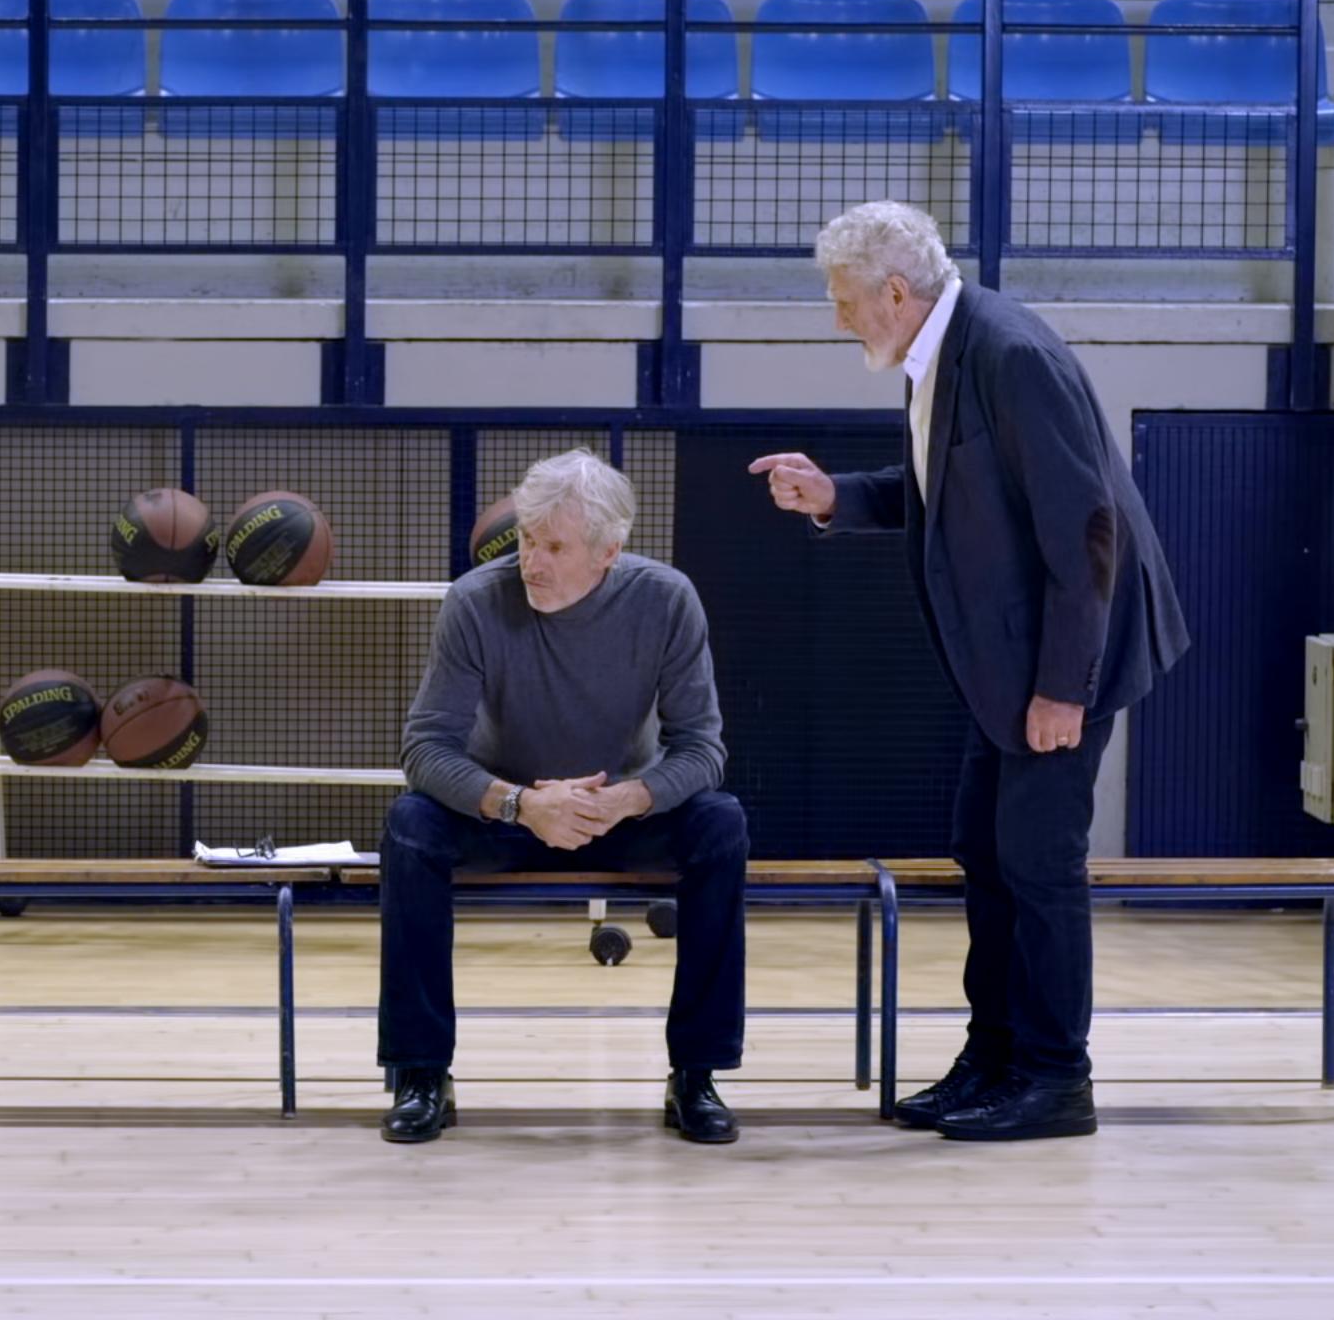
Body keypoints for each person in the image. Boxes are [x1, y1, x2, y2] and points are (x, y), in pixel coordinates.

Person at [751, 200, 1189, 1142]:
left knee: (1038, 861)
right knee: (984, 850)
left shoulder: (1009, 354)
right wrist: (836, 497)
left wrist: (1063, 688)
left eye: (842, 302)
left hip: (1069, 655)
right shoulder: (941, 353)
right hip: (1017, 659)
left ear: (894, 292)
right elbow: (942, 495)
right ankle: (994, 1055)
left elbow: (1087, 530)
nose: (836, 320)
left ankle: (1054, 1075)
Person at [379, 449, 747, 1145]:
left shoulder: (666, 600)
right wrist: (519, 804)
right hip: (504, 813)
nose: (531, 562)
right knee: (410, 827)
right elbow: (424, 750)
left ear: (608, 552)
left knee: (720, 825)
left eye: (553, 546)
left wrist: (632, 799)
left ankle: (696, 1073)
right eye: (524, 538)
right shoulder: (475, 602)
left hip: (620, 810)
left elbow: (703, 748)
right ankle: (421, 1071)